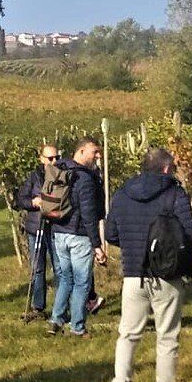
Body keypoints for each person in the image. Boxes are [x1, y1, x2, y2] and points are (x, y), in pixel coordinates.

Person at [105, 147, 192, 382]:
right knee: (167, 337)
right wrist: (190, 269)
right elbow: (190, 234)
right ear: (167, 168)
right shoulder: (174, 193)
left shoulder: (123, 193)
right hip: (167, 275)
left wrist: (132, 245)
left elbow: (111, 233)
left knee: (128, 333)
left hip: (133, 274)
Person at [46, 137, 106, 338]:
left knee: (65, 279)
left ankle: (55, 319)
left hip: (58, 232)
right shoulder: (84, 179)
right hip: (78, 235)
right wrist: (97, 245)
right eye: (94, 152)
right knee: (82, 282)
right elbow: (89, 214)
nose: (98, 156)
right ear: (81, 152)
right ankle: (77, 327)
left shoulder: (61, 169)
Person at [16, 144, 59, 321]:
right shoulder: (34, 177)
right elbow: (21, 199)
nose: (54, 161)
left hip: (56, 227)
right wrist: (34, 202)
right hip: (37, 227)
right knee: (38, 268)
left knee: (60, 268)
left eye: (57, 157)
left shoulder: (63, 175)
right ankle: (38, 306)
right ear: (42, 159)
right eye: (50, 158)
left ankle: (60, 307)